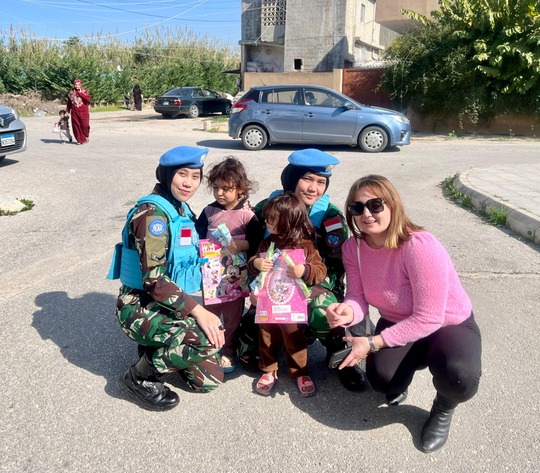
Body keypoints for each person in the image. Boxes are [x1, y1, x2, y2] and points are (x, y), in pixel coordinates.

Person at [325, 175, 482, 453]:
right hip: (399, 320)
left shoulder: (418, 245)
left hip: (447, 324)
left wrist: (373, 342)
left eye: (375, 205)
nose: (366, 214)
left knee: (459, 377)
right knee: (382, 380)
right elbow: (358, 297)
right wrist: (346, 311)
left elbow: (429, 317)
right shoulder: (354, 248)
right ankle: (414, 361)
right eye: (357, 208)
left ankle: (443, 409)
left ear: (393, 205)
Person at [238, 149, 369, 392]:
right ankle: (276, 354)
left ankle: (342, 358)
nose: (313, 188)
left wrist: (312, 285)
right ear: (291, 178)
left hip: (314, 285)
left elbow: (336, 267)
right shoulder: (267, 207)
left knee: (322, 310)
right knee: (246, 355)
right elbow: (251, 251)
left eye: (321, 182)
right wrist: (254, 284)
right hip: (273, 289)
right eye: (307, 179)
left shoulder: (329, 217)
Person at [108, 145, 225, 411]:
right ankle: (140, 375)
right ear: (167, 174)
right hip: (138, 304)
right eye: (182, 174)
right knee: (204, 337)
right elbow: (155, 282)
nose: (189, 183)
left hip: (165, 303)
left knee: (207, 381)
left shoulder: (180, 208)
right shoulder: (153, 216)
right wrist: (199, 312)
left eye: (195, 176)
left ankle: (157, 347)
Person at [248, 192, 327, 397]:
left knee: (294, 337)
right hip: (269, 302)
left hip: (293, 305)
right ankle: (269, 368)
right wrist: (256, 263)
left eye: (272, 220)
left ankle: (299, 371)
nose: (267, 223)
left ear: (289, 222)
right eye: (267, 219)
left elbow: (320, 270)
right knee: (266, 336)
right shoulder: (268, 244)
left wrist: (305, 270)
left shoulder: (306, 245)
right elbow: (253, 262)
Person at [195, 157, 259, 373]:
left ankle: (228, 349)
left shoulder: (248, 215)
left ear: (240, 188)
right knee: (210, 312)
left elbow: (257, 244)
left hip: (236, 278)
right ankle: (209, 347)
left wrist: (240, 244)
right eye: (216, 188)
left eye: (227, 188)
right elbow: (197, 237)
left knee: (232, 316)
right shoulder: (208, 212)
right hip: (211, 277)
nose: (220, 193)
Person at [66, 78, 91, 145]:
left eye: (78, 84)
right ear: (74, 85)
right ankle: (79, 140)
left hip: (84, 112)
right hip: (75, 112)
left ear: (80, 85)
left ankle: (86, 135)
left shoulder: (84, 91)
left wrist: (80, 94)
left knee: (85, 125)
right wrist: (67, 111)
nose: (77, 86)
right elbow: (69, 103)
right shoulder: (71, 92)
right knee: (76, 126)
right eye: (75, 84)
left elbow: (88, 100)